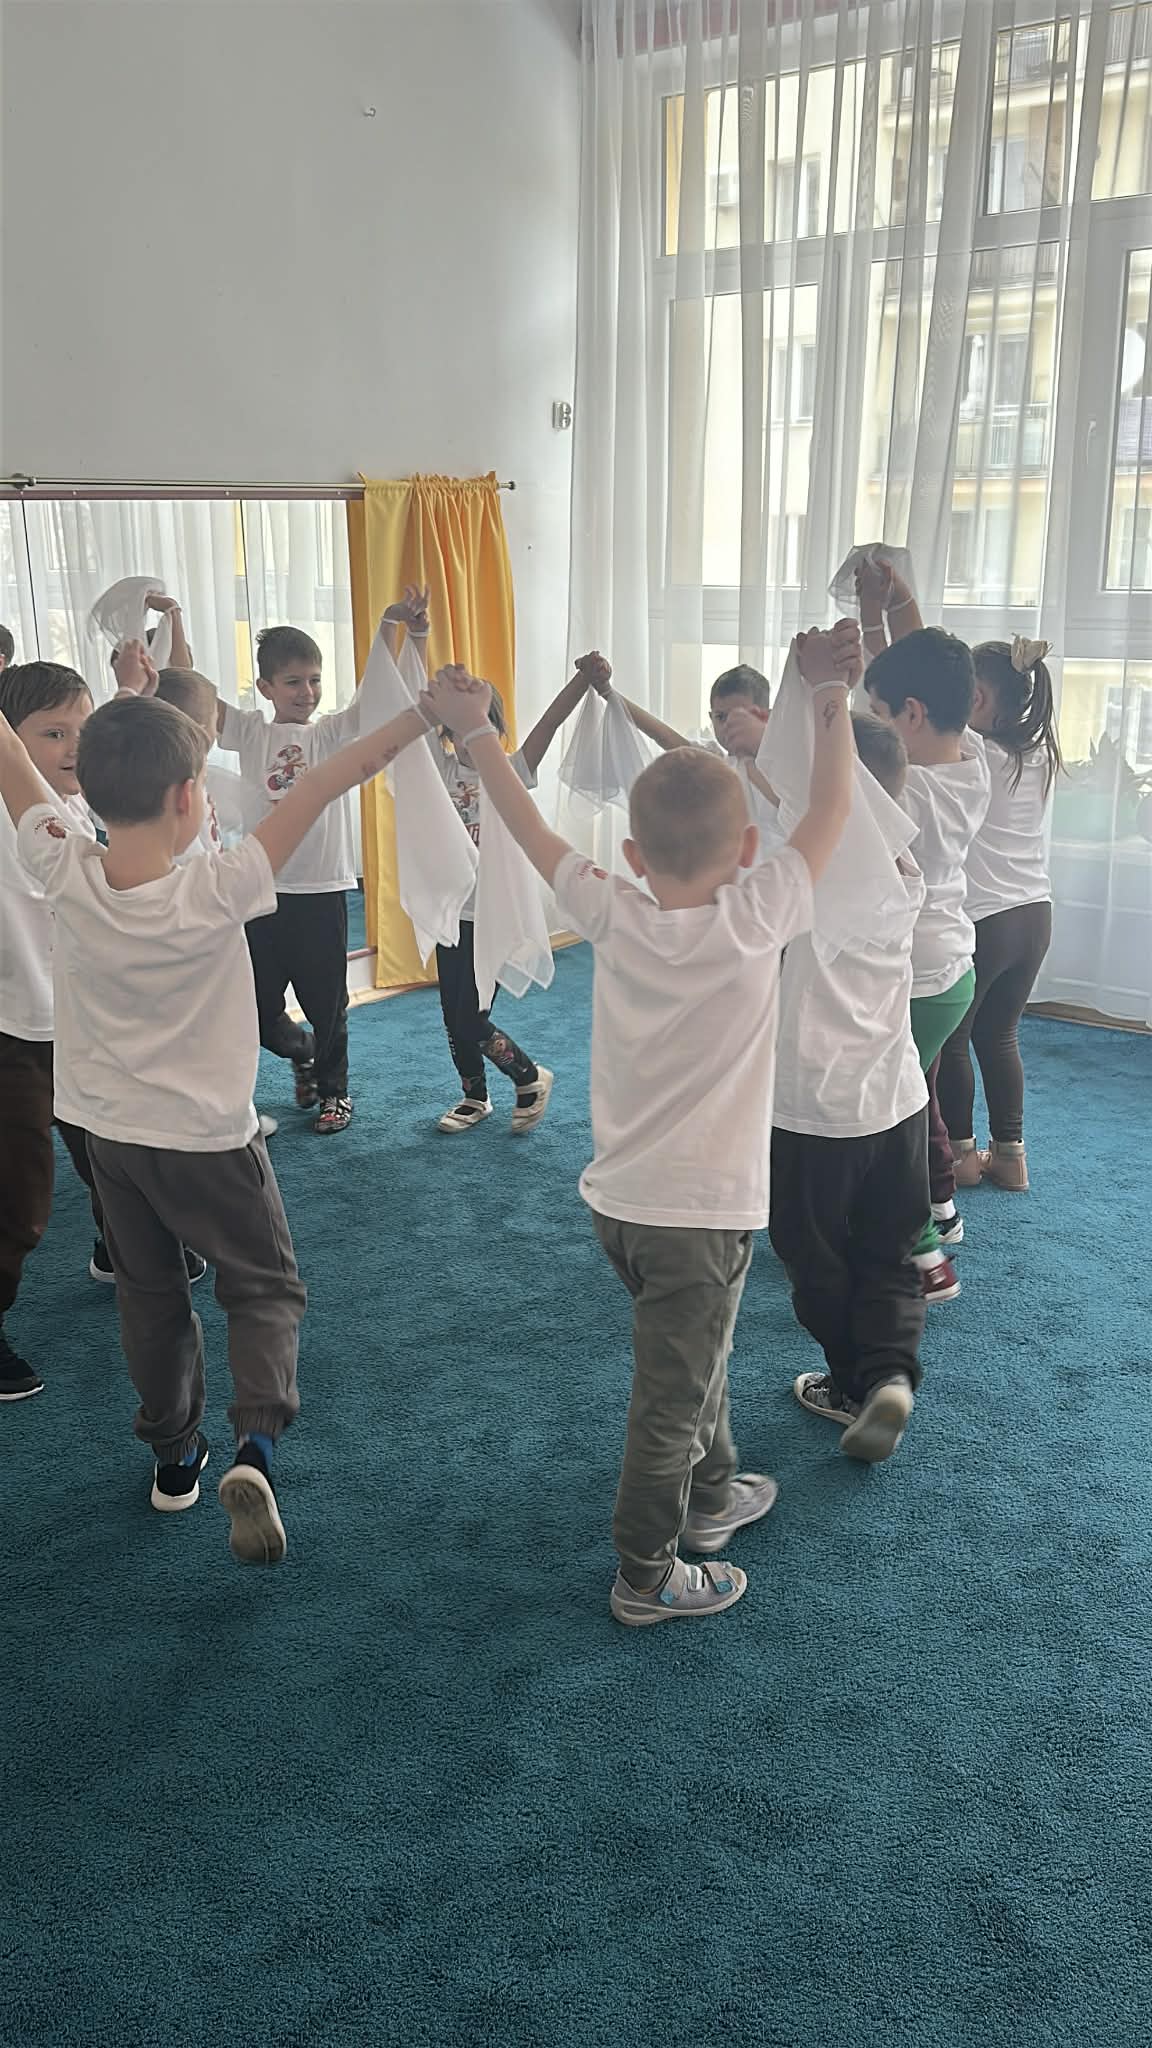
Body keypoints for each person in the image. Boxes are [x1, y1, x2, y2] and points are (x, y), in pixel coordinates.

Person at [420, 624, 857, 1624]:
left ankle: (714, 1495)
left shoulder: (612, 906)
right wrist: (830, 693)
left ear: (630, 852)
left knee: (693, 1361)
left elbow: (527, 826)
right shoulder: (759, 912)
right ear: (748, 849)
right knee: (671, 1395)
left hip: (621, 1205)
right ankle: (646, 1573)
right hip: (699, 1216)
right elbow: (832, 807)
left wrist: (477, 729)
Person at [0, 681, 433, 1557]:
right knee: (263, 1288)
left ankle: (173, 1458)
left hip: (110, 1138)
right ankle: (256, 1448)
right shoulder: (220, 885)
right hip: (207, 1142)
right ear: (188, 798)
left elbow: (16, 772)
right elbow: (327, 778)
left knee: (150, 1296)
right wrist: (424, 716)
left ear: (89, 791)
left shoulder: (62, 867)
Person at [770, 712, 928, 1462]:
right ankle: (892, 1373)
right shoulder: (907, 873)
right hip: (897, 1101)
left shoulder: (802, 882)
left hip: (815, 1114)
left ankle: (852, 1381)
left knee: (816, 1257)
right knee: (890, 1253)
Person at [404, 610, 600, 1134]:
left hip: (490, 912)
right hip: (452, 909)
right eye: (462, 727)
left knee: (472, 1015)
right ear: (448, 732)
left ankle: (529, 1075)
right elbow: (412, 706)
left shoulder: (511, 772)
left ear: (496, 729)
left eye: (485, 726)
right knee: (454, 1015)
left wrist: (583, 680)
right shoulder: (441, 769)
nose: (473, 736)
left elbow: (549, 725)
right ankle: (475, 1096)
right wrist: (419, 638)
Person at [866, 629, 991, 1301]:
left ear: (911, 714)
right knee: (915, 1097)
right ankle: (939, 1210)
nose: (872, 726)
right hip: (953, 969)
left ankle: (925, 1258)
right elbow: (943, 676)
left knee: (887, 1116)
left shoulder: (901, 792)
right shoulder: (974, 761)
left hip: (911, 977)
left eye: (878, 713)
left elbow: (811, 792)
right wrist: (882, 612)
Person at [217, 623, 375, 1136]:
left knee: (327, 1004)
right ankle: (301, 1051)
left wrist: (395, 629)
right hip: (261, 891)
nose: (306, 692)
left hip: (321, 892)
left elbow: (374, 703)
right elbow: (191, 698)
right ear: (265, 687)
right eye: (292, 682)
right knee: (255, 1006)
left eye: (314, 680)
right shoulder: (251, 732)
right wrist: (168, 624)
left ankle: (334, 1092)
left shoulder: (327, 734)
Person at [0, 660, 102, 1398]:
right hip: (14, 1036)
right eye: (53, 734)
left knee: (114, 1158)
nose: (74, 748)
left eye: (83, 730)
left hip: (82, 1025)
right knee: (20, 1201)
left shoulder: (77, 806)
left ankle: (118, 1246)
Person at [936, 637, 1061, 1192]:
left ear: (983, 701)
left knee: (955, 1038)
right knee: (1001, 1033)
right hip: (1035, 914)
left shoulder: (978, 753)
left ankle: (963, 1157)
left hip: (989, 919)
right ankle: (1011, 1157)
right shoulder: (1039, 756)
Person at [605, 659, 782, 846]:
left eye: (741, 715)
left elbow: (788, 804)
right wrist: (607, 692)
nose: (729, 724)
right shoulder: (716, 761)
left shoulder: (781, 762)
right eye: (721, 717)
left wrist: (748, 758)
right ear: (711, 717)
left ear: (766, 717)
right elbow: (664, 736)